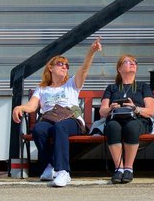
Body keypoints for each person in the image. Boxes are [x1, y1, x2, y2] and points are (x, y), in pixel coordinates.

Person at [11, 37, 102, 187]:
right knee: (39, 129)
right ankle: (49, 167)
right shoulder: (42, 88)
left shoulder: (72, 83)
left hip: (71, 119)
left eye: (66, 65)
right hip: (49, 120)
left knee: (61, 127)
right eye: (60, 64)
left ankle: (63, 172)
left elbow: (84, 69)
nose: (64, 66)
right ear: (50, 68)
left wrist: (91, 52)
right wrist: (19, 107)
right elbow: (32, 106)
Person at [99, 54, 154, 184]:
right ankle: (119, 168)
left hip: (138, 120)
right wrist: (111, 108)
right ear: (119, 68)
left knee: (132, 127)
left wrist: (135, 108)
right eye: (127, 62)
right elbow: (102, 111)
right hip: (115, 119)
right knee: (112, 127)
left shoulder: (143, 86)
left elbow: (150, 111)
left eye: (134, 62)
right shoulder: (112, 88)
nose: (132, 63)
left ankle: (129, 168)